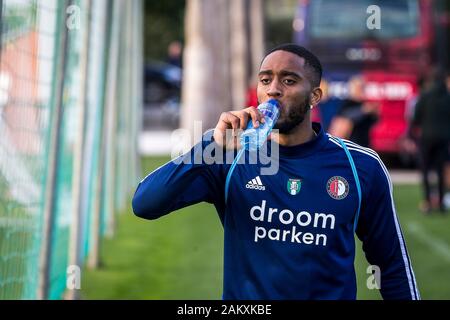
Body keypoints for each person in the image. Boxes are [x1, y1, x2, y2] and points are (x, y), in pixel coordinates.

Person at [132, 44, 420, 300]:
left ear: (315, 96)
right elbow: (145, 203)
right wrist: (210, 144)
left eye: (289, 80)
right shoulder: (229, 157)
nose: (273, 89)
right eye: (265, 80)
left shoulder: (361, 166)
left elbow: (391, 265)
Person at [411, 69, 450, 213]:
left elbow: (416, 118)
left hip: (427, 138)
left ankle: (427, 202)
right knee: (440, 171)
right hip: (444, 139)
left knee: (426, 170)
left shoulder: (425, 95)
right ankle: (440, 203)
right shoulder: (447, 97)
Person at [328, 76, 379, 147]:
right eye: (357, 88)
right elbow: (340, 124)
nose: (359, 90)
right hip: (350, 146)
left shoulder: (367, 105)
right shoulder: (345, 105)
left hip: (363, 145)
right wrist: (363, 110)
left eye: (361, 88)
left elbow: (375, 121)